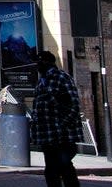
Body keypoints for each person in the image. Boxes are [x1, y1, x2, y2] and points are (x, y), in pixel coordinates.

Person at [30, 51, 83, 187]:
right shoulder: (42, 82)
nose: (38, 66)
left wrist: (62, 126)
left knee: (62, 168)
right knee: (53, 170)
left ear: (48, 63)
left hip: (62, 136)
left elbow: (73, 105)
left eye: (40, 63)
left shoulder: (61, 78)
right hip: (47, 136)